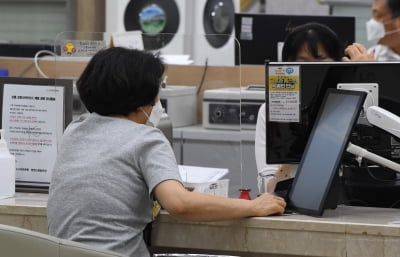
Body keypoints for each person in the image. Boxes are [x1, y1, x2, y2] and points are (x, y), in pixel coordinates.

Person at [46, 47, 286, 257]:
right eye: (156, 92)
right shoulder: (145, 138)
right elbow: (180, 203)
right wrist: (254, 207)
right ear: (140, 99)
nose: (158, 100)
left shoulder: (73, 131)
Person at [255, 22, 344, 193]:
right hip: (294, 203)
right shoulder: (270, 112)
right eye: (302, 62)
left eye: (320, 60)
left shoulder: (350, 108)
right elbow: (269, 190)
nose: (311, 71)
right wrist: (292, 148)